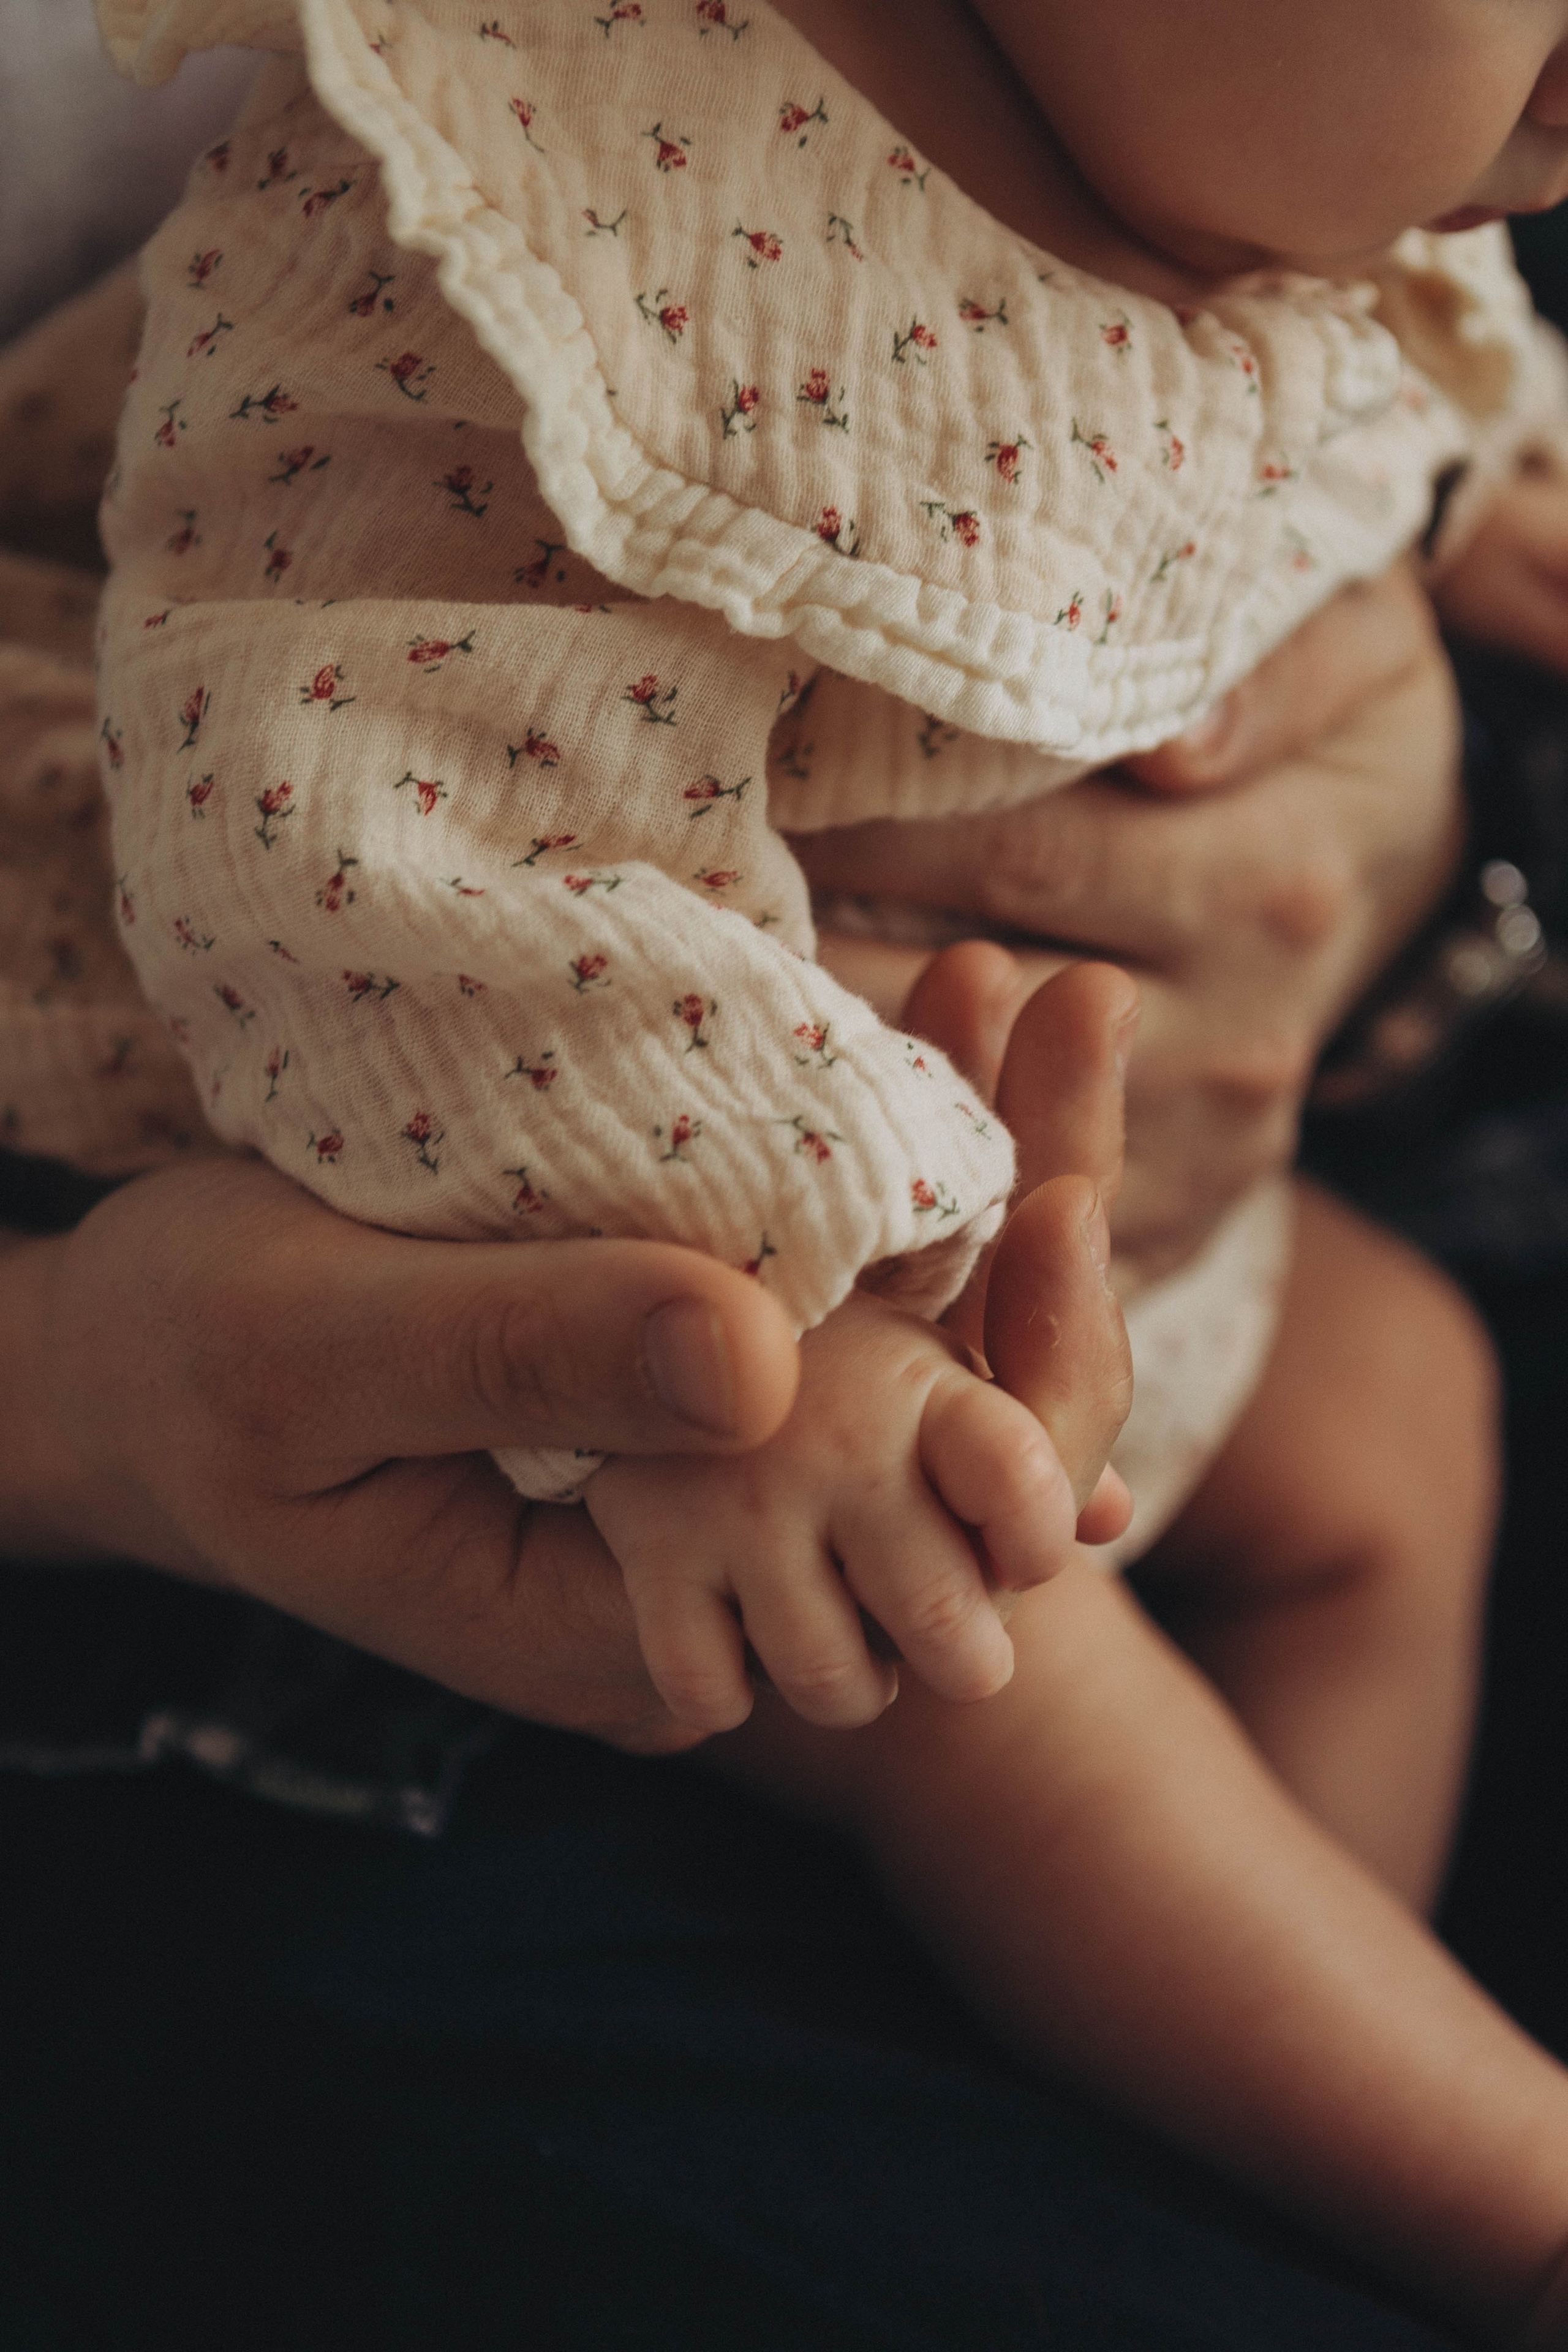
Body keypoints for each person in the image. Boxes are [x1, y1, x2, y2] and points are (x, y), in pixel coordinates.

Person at [74, 0, 1568, 2333]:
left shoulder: (1246, 141)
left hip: (1072, 1156)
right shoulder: (567, 211)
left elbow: (1327, 396)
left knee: (1401, 1416)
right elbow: (379, 848)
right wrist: (799, 1273)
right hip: (510, 1199)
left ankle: (1219, 2077)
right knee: (976, 1651)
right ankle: (1485, 2185)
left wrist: (1474, 510)